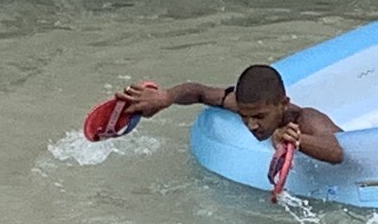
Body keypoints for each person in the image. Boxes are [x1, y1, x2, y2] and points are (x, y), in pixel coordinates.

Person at [115, 64, 344, 164]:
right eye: (245, 117)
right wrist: (165, 97)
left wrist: (296, 140)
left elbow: (338, 151)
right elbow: (200, 92)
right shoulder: (247, 107)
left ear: (283, 104)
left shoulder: (306, 118)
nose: (252, 125)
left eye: (260, 117)